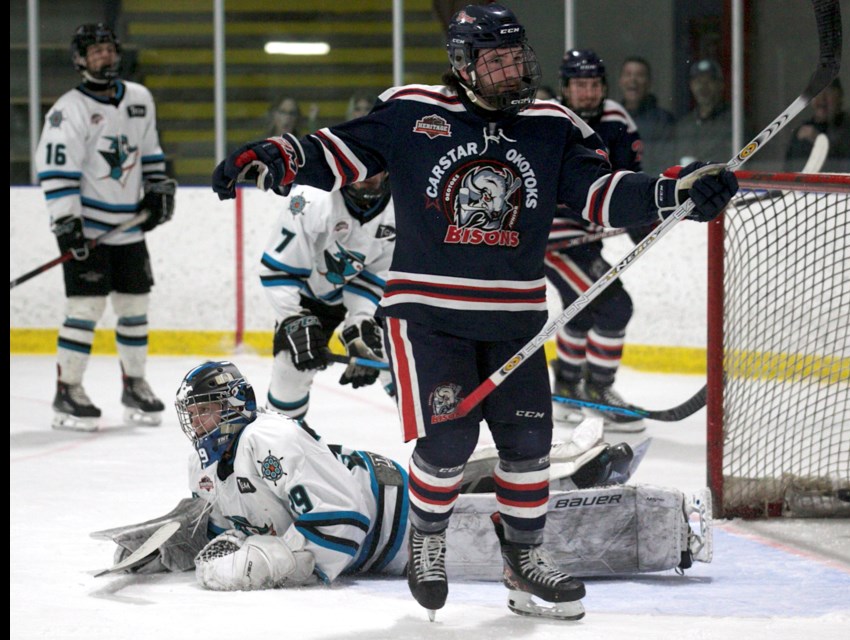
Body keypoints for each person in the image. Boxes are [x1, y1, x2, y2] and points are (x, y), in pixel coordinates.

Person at [212, 2, 738, 621]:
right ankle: (428, 535)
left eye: (517, 57)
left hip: (514, 317)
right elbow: (339, 151)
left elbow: (600, 193)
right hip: (429, 316)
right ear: (462, 65)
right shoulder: (414, 111)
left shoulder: (551, 123)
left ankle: (524, 564)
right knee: (450, 441)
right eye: (496, 61)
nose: (512, 71)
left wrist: (674, 191)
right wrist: (277, 154)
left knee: (528, 444)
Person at [98, 360, 711, 599]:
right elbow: (228, 517)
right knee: (490, 482)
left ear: (232, 407)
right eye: (192, 412)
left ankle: (674, 520)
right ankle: (577, 463)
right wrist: (170, 541)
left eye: (204, 409)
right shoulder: (207, 463)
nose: (195, 422)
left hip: (393, 523)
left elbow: (344, 528)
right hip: (382, 489)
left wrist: (270, 562)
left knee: (535, 534)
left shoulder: (267, 438)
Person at [35, 23, 176, 432]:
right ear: (80, 60)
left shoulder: (139, 98)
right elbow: (57, 170)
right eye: (94, 51)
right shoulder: (68, 109)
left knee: (135, 308)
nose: (103, 56)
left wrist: (157, 190)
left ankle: (134, 384)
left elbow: (150, 151)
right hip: (90, 226)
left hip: (128, 228)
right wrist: (66, 223)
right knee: (86, 308)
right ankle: (68, 388)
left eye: (108, 49)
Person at [547, 49, 649, 432]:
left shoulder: (618, 121)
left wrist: (640, 214)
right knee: (614, 306)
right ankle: (598, 390)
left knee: (582, 307)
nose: (587, 93)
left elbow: (629, 180)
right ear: (565, 88)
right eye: (579, 85)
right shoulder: (549, 121)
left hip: (587, 239)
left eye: (593, 85)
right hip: (552, 242)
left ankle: (567, 387)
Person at [259, 172, 395, 423]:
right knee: (290, 372)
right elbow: (280, 270)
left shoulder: (403, 204)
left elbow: (379, 275)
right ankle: (275, 443)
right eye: (359, 164)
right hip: (309, 299)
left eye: (374, 166)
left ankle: (436, 442)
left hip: (374, 298)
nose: (366, 173)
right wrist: (292, 318)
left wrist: (362, 322)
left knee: (397, 362)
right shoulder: (310, 198)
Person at [784, 78, 850, 172]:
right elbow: (788, 170)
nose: (822, 98)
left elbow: (849, 165)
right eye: (817, 91)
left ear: (839, 96)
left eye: (828, 91)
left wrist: (819, 140)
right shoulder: (801, 133)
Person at [617, 56, 675, 175]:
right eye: (628, 74)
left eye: (640, 75)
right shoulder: (611, 118)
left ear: (649, 83)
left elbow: (665, 163)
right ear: (620, 81)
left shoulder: (663, 120)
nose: (633, 80)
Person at [673, 58, 732, 166]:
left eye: (709, 81)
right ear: (691, 85)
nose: (703, 87)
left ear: (720, 85)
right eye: (698, 81)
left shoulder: (734, 122)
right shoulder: (684, 124)